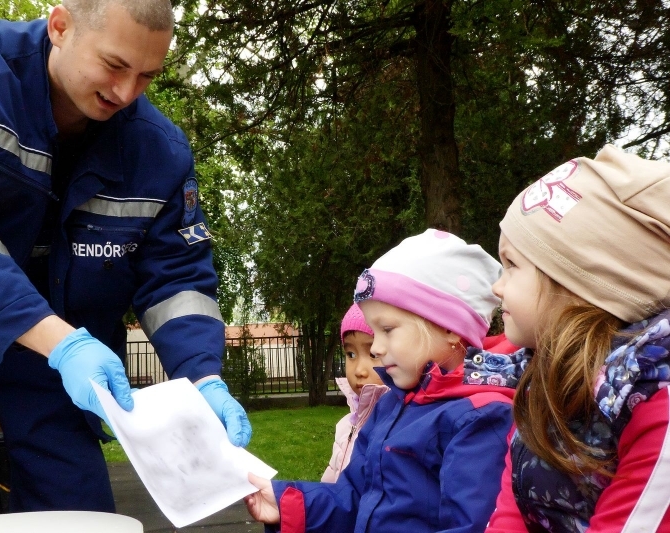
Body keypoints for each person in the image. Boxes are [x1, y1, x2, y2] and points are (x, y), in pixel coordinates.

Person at [0, 0, 251, 514]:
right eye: (114, 66)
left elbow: (177, 281)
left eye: (146, 77)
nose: (126, 93)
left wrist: (204, 375)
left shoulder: (159, 152)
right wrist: (64, 343)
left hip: (64, 359)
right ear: (60, 26)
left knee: (78, 509)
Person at [245, 229, 516, 532]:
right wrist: (284, 503)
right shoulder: (392, 405)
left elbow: (471, 525)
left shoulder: (480, 417)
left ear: (450, 328)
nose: (376, 347)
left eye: (387, 329)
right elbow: (354, 498)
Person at [465, 145, 670, 532]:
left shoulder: (657, 400)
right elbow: (510, 514)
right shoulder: (538, 379)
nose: (497, 287)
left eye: (512, 265)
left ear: (580, 282)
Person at [321, 303, 388, 483]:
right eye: (351, 354)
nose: (359, 370)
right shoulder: (345, 425)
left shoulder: (399, 429)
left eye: (373, 354)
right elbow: (331, 483)